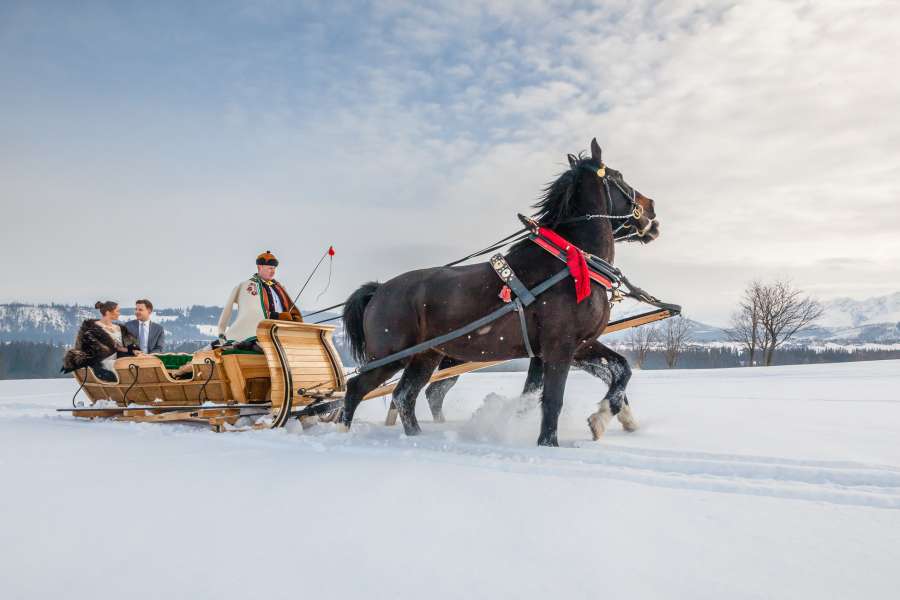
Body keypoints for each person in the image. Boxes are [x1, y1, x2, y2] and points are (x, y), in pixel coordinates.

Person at [216, 250, 303, 344]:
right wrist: (278, 316)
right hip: (258, 333)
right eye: (270, 268)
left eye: (274, 268)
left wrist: (295, 320)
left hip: (281, 331)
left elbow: (291, 309)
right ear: (260, 267)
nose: (273, 271)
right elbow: (252, 311)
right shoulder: (249, 286)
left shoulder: (279, 287)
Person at [62, 301, 142, 382]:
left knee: (139, 363)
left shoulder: (120, 328)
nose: (119, 313)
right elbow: (89, 350)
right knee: (122, 365)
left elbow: (131, 345)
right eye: (117, 311)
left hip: (122, 358)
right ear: (108, 312)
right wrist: (118, 350)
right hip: (103, 361)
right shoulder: (91, 329)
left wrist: (133, 350)